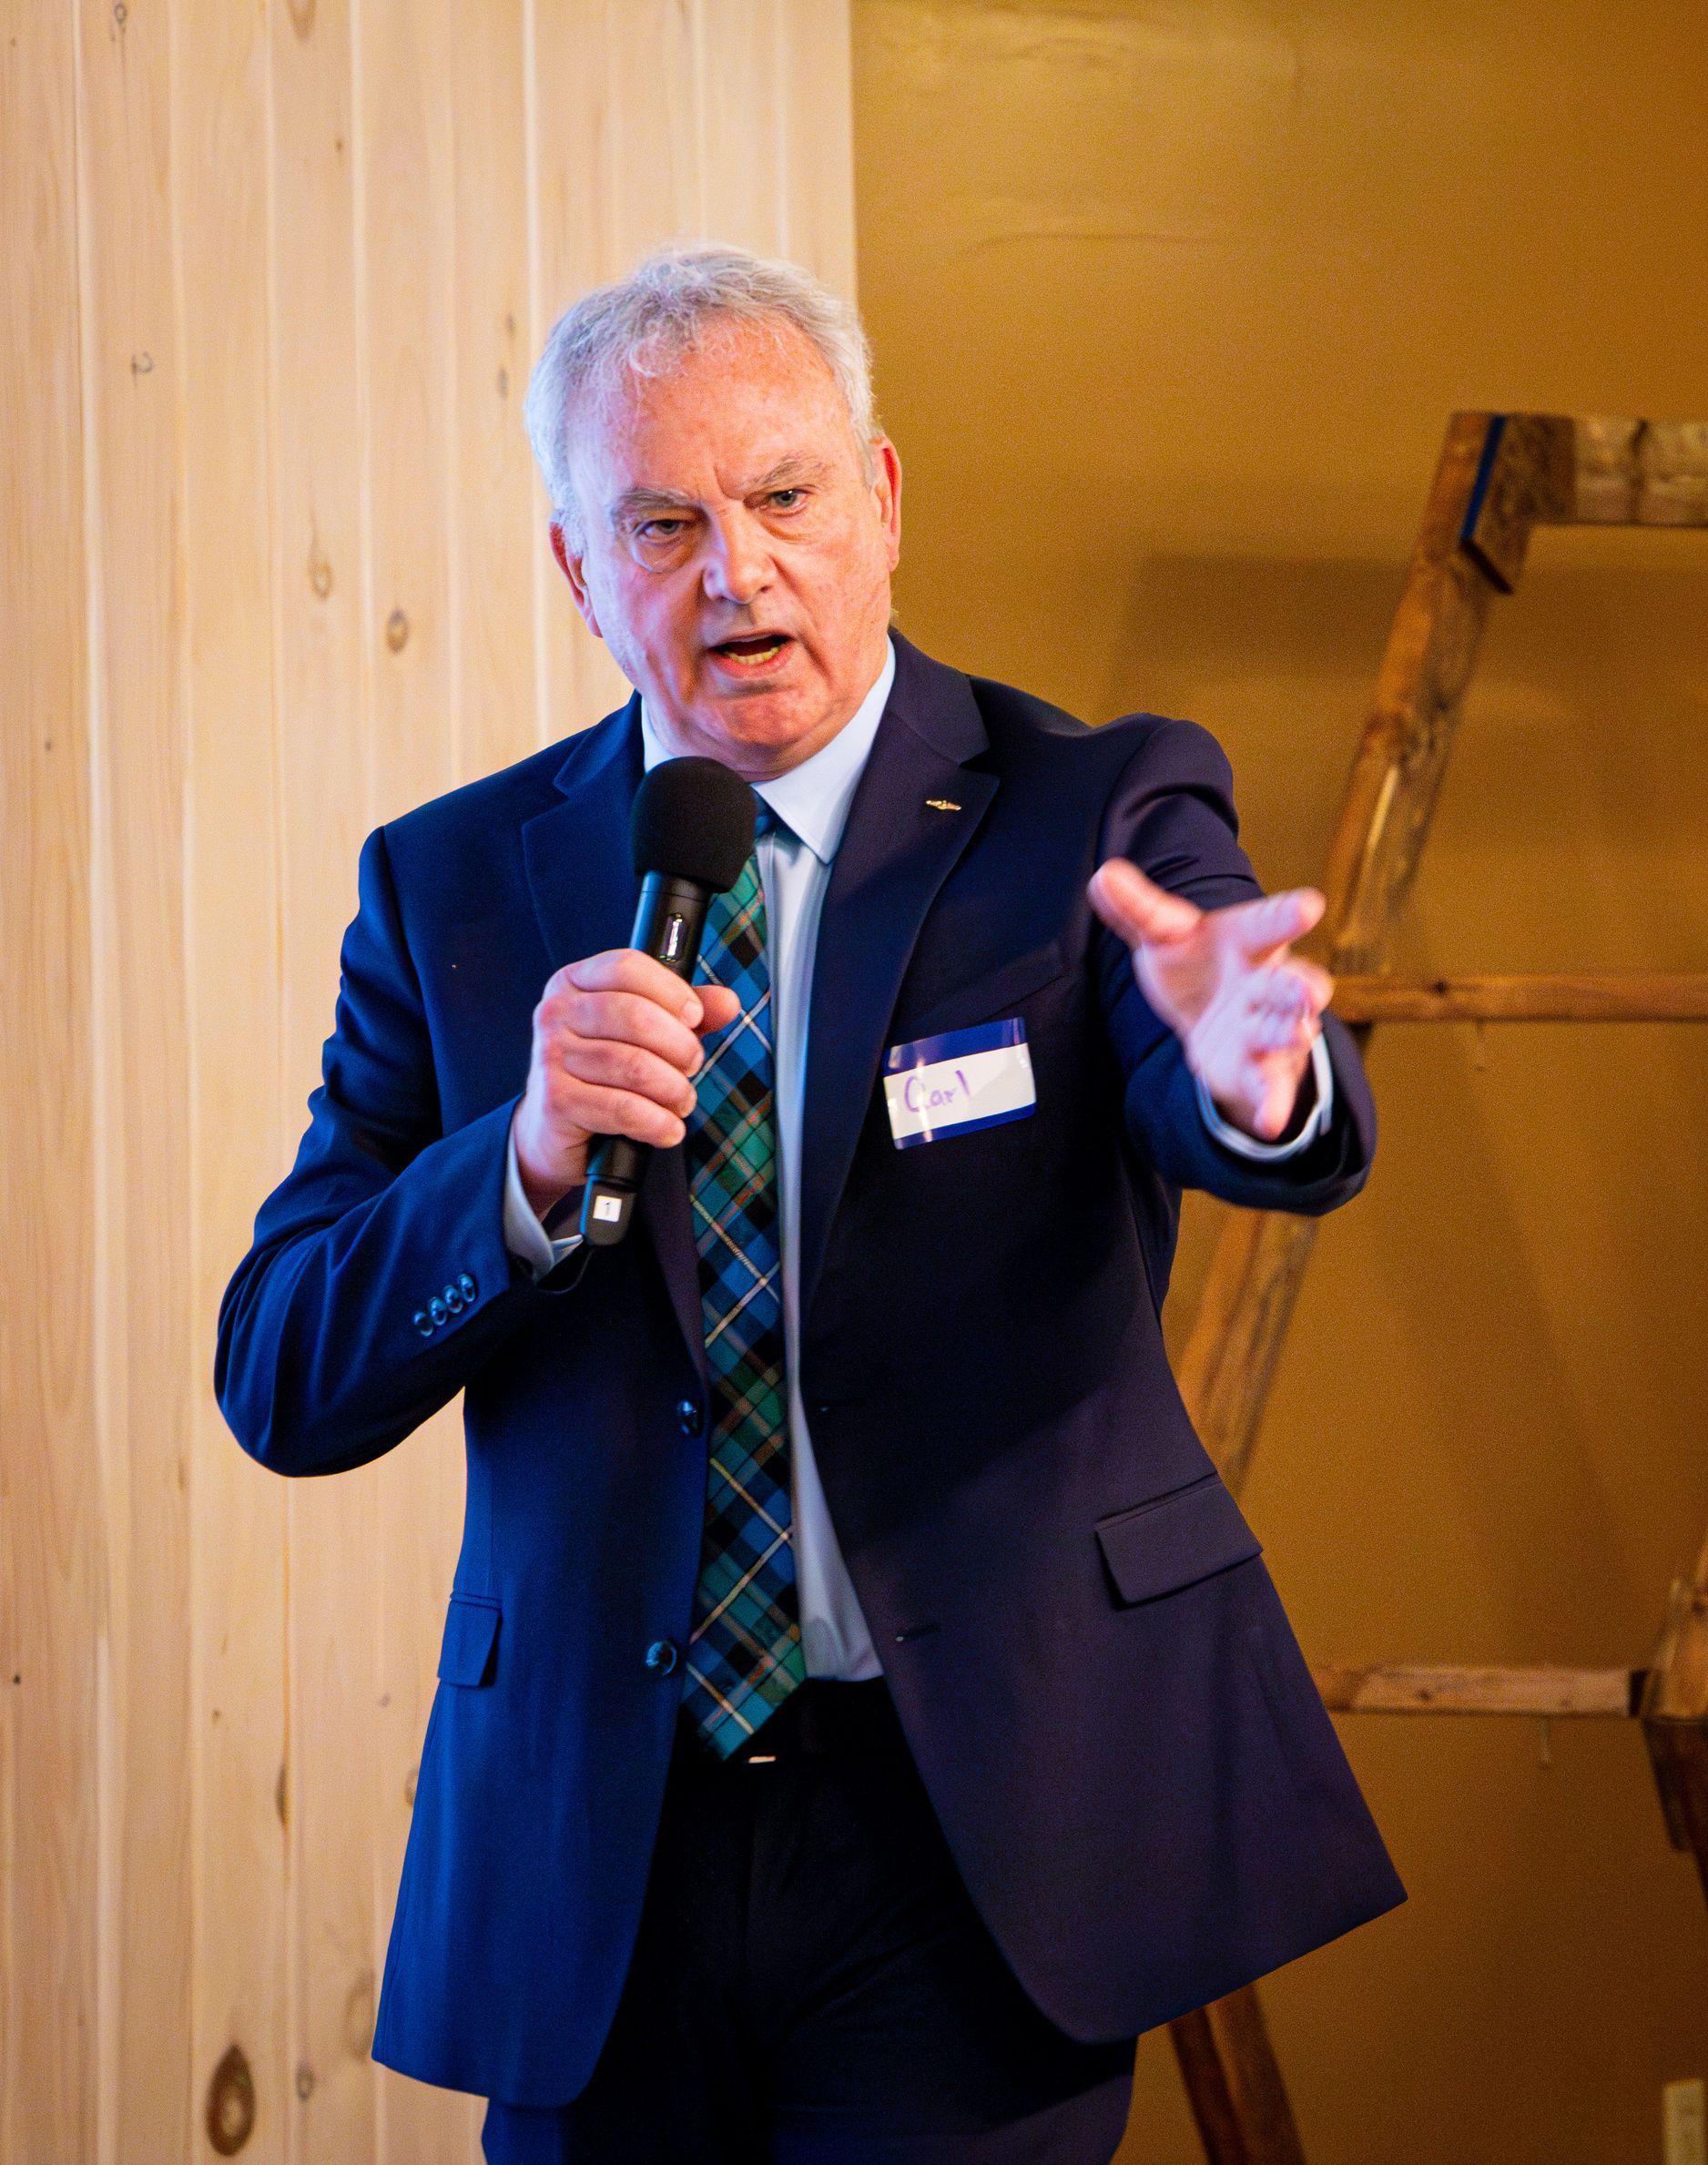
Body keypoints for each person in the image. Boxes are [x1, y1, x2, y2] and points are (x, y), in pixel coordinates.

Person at [217, 241, 1404, 2163]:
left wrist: (1253, 1074)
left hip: (976, 1817)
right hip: (605, 1848)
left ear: (882, 500)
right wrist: (517, 1165)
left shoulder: (1087, 809)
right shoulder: (448, 885)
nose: (737, 571)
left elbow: (1246, 1090)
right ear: (578, 571)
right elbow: (279, 1370)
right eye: (664, 522)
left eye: (785, 499)